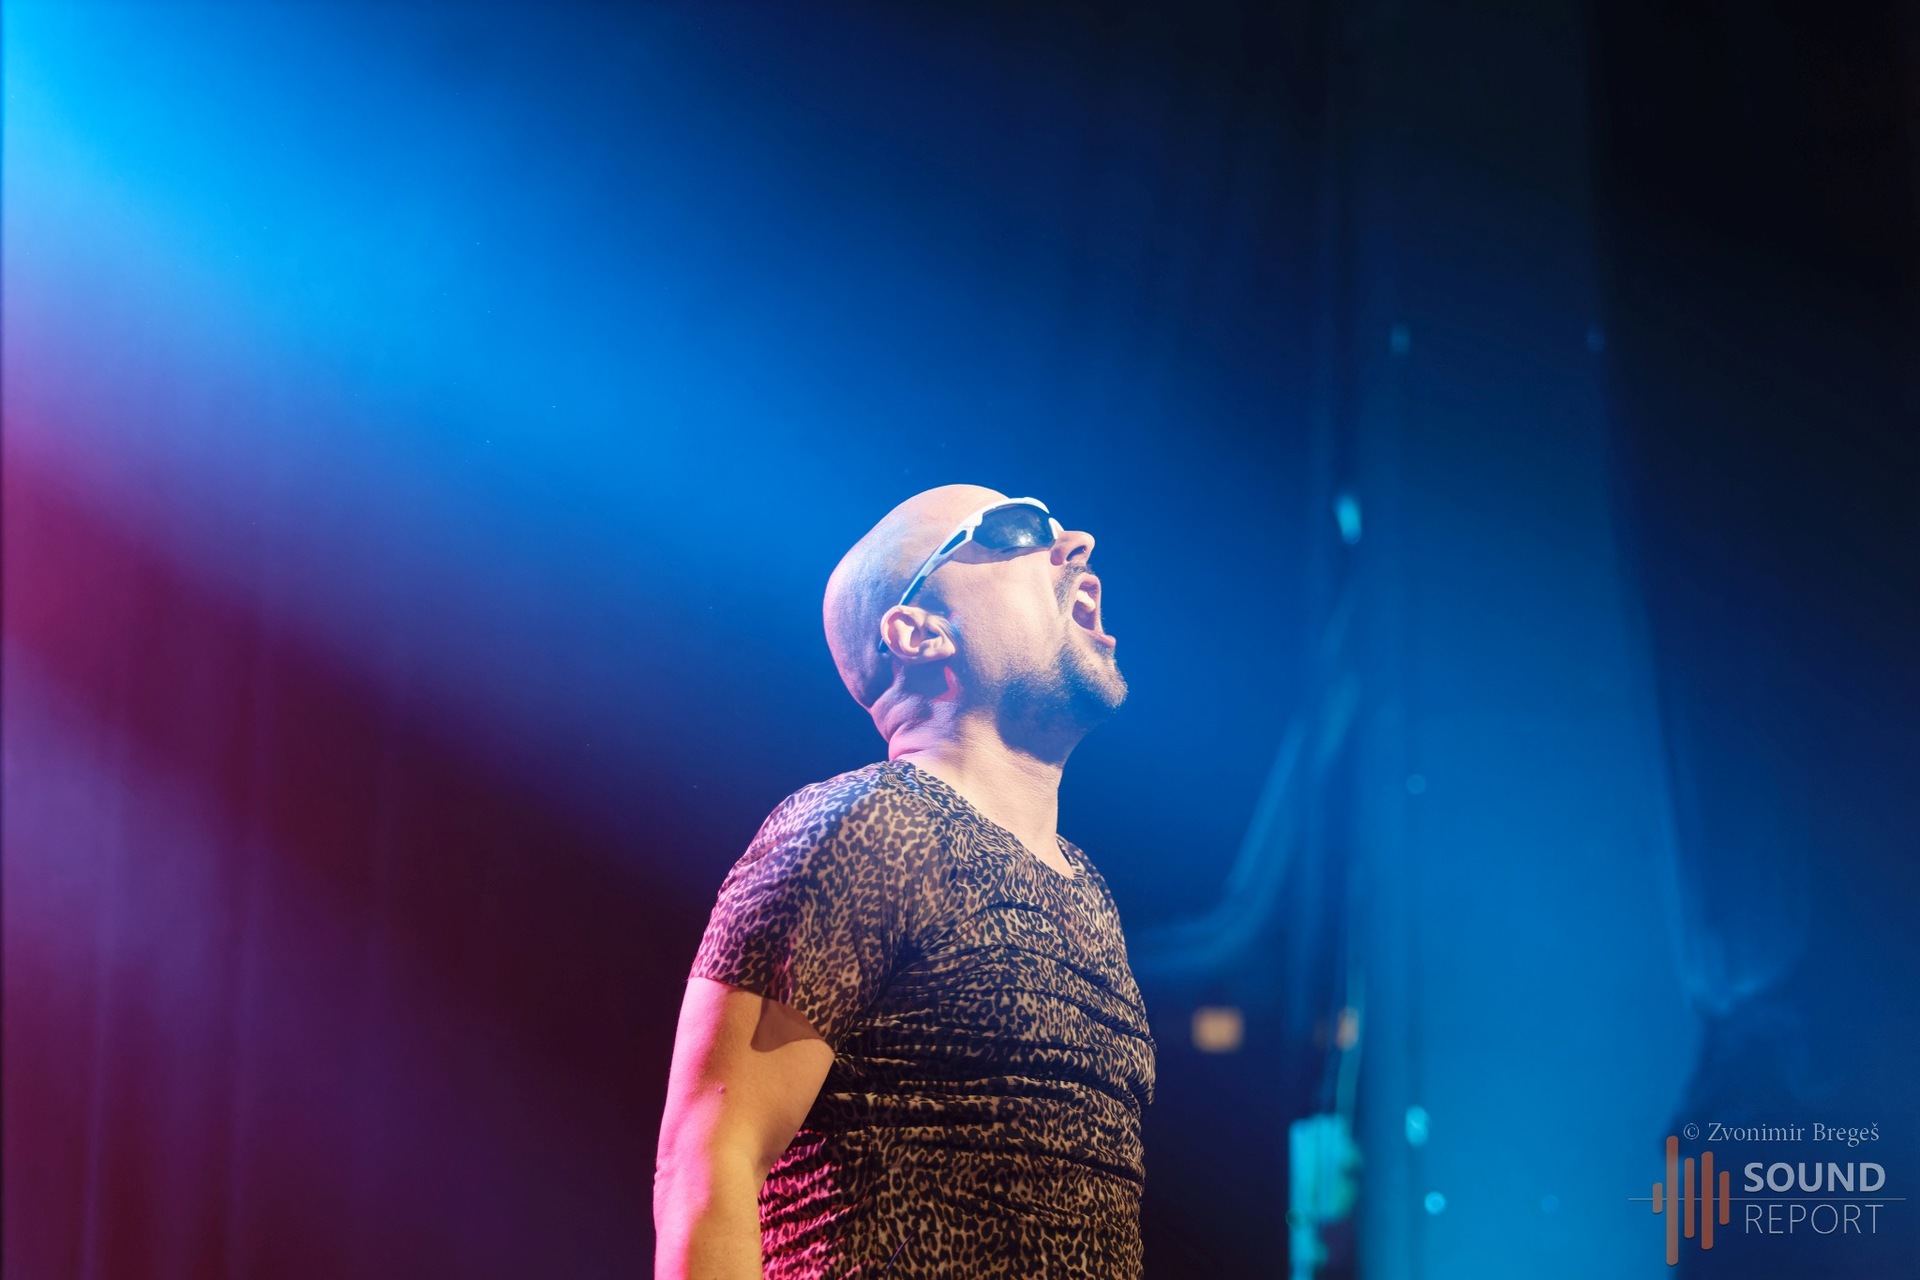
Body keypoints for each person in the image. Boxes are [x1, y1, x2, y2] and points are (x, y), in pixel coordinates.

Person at [653, 484, 1156, 1278]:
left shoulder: (1087, 890)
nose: (1075, 543)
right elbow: (708, 1165)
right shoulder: (867, 826)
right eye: (1016, 528)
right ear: (919, 632)